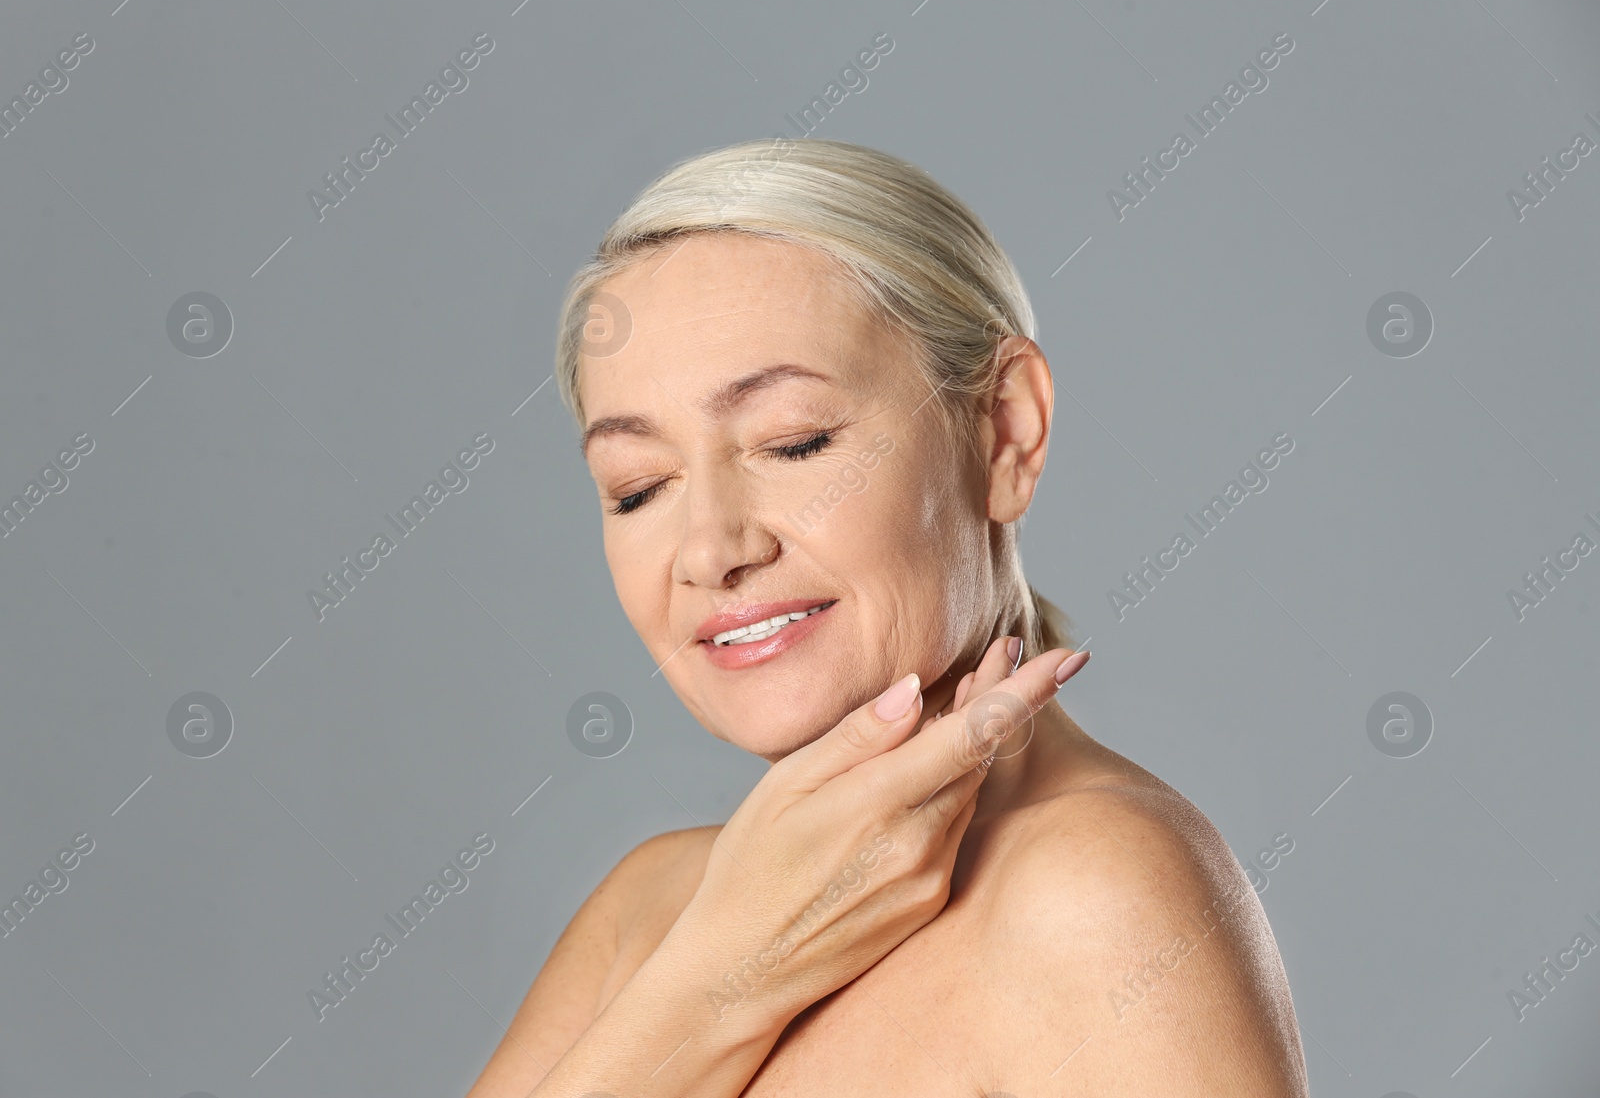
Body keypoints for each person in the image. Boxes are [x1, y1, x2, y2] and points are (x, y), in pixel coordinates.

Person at [465, 138, 1309, 1097]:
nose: (710, 550)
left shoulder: (1091, 892)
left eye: (795, 442)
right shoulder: (650, 912)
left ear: (1004, 431)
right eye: (636, 487)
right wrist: (720, 980)